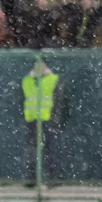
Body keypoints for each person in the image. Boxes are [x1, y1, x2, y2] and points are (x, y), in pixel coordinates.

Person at [21, 57, 67, 187]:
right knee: (32, 151)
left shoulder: (54, 79)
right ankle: (32, 179)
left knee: (51, 150)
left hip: (48, 120)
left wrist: (55, 118)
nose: (39, 67)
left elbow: (59, 100)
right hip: (32, 120)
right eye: (36, 64)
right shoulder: (27, 80)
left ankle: (53, 179)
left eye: (42, 64)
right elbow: (22, 99)